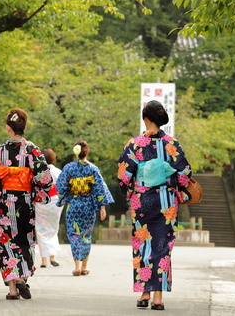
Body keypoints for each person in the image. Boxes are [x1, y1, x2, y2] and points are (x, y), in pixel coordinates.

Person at [117, 100, 192, 311]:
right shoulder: (172, 143)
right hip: (166, 201)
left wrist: (130, 191)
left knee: (143, 244)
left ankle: (144, 293)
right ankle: (158, 297)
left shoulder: (135, 143)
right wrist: (177, 189)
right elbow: (185, 173)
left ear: (145, 118)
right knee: (162, 245)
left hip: (141, 200)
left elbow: (124, 175)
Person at [0, 108, 52, 300]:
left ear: (7, 128)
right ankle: (22, 277)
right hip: (24, 203)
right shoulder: (32, 150)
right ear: (24, 127)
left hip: (3, 203)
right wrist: (33, 184)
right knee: (24, 242)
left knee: (6, 244)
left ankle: (12, 288)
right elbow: (45, 178)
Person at [56, 140, 114, 276]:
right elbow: (100, 189)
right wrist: (102, 207)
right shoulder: (93, 169)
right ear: (86, 151)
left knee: (74, 235)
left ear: (75, 151)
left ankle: (76, 266)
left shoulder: (69, 168)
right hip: (88, 205)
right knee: (86, 235)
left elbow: (61, 186)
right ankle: (84, 266)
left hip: (74, 205)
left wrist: (65, 197)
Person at [35, 148, 63, 268]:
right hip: (55, 201)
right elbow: (62, 188)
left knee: (41, 230)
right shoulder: (58, 171)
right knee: (53, 229)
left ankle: (44, 260)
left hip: (41, 201)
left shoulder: (38, 172)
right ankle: (53, 257)